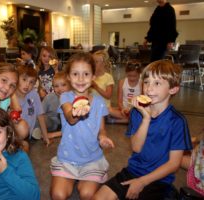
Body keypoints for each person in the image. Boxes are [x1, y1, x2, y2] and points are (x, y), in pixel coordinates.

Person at [92, 60, 193, 200]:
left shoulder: (177, 121)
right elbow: (137, 148)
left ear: (173, 89)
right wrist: (146, 118)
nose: (149, 88)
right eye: (146, 82)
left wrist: (142, 182)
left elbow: (174, 164)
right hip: (133, 171)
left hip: (159, 179)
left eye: (157, 83)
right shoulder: (137, 113)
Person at [50, 52, 114, 200]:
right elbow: (70, 118)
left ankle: (87, 178)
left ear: (93, 77)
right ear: (68, 77)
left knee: (87, 194)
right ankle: (70, 177)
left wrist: (103, 137)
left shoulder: (99, 102)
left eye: (86, 74)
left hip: (91, 159)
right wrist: (77, 112)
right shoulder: (65, 97)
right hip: (67, 158)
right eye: (75, 74)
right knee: (58, 195)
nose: (80, 79)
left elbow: (101, 128)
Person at [14, 65, 50, 146]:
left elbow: (40, 116)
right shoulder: (11, 96)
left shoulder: (34, 94)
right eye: (24, 79)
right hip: (12, 137)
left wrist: (45, 136)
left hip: (27, 137)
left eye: (31, 82)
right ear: (16, 79)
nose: (27, 85)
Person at [42, 72, 70, 136]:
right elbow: (40, 113)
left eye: (63, 85)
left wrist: (53, 134)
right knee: (41, 117)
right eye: (56, 86)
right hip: (51, 124)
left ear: (70, 85)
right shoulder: (49, 97)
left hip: (66, 126)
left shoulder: (72, 98)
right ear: (53, 87)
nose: (60, 89)